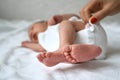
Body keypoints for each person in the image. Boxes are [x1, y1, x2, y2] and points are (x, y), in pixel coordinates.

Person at [22, 13, 107, 67]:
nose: (30, 33)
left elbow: (75, 16)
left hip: (88, 31)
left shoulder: (52, 25)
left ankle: (64, 47)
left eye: (32, 28)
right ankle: (65, 57)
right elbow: (40, 48)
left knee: (65, 23)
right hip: (92, 52)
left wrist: (61, 17)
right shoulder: (43, 40)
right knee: (71, 57)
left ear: (44, 22)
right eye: (30, 34)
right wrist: (27, 44)